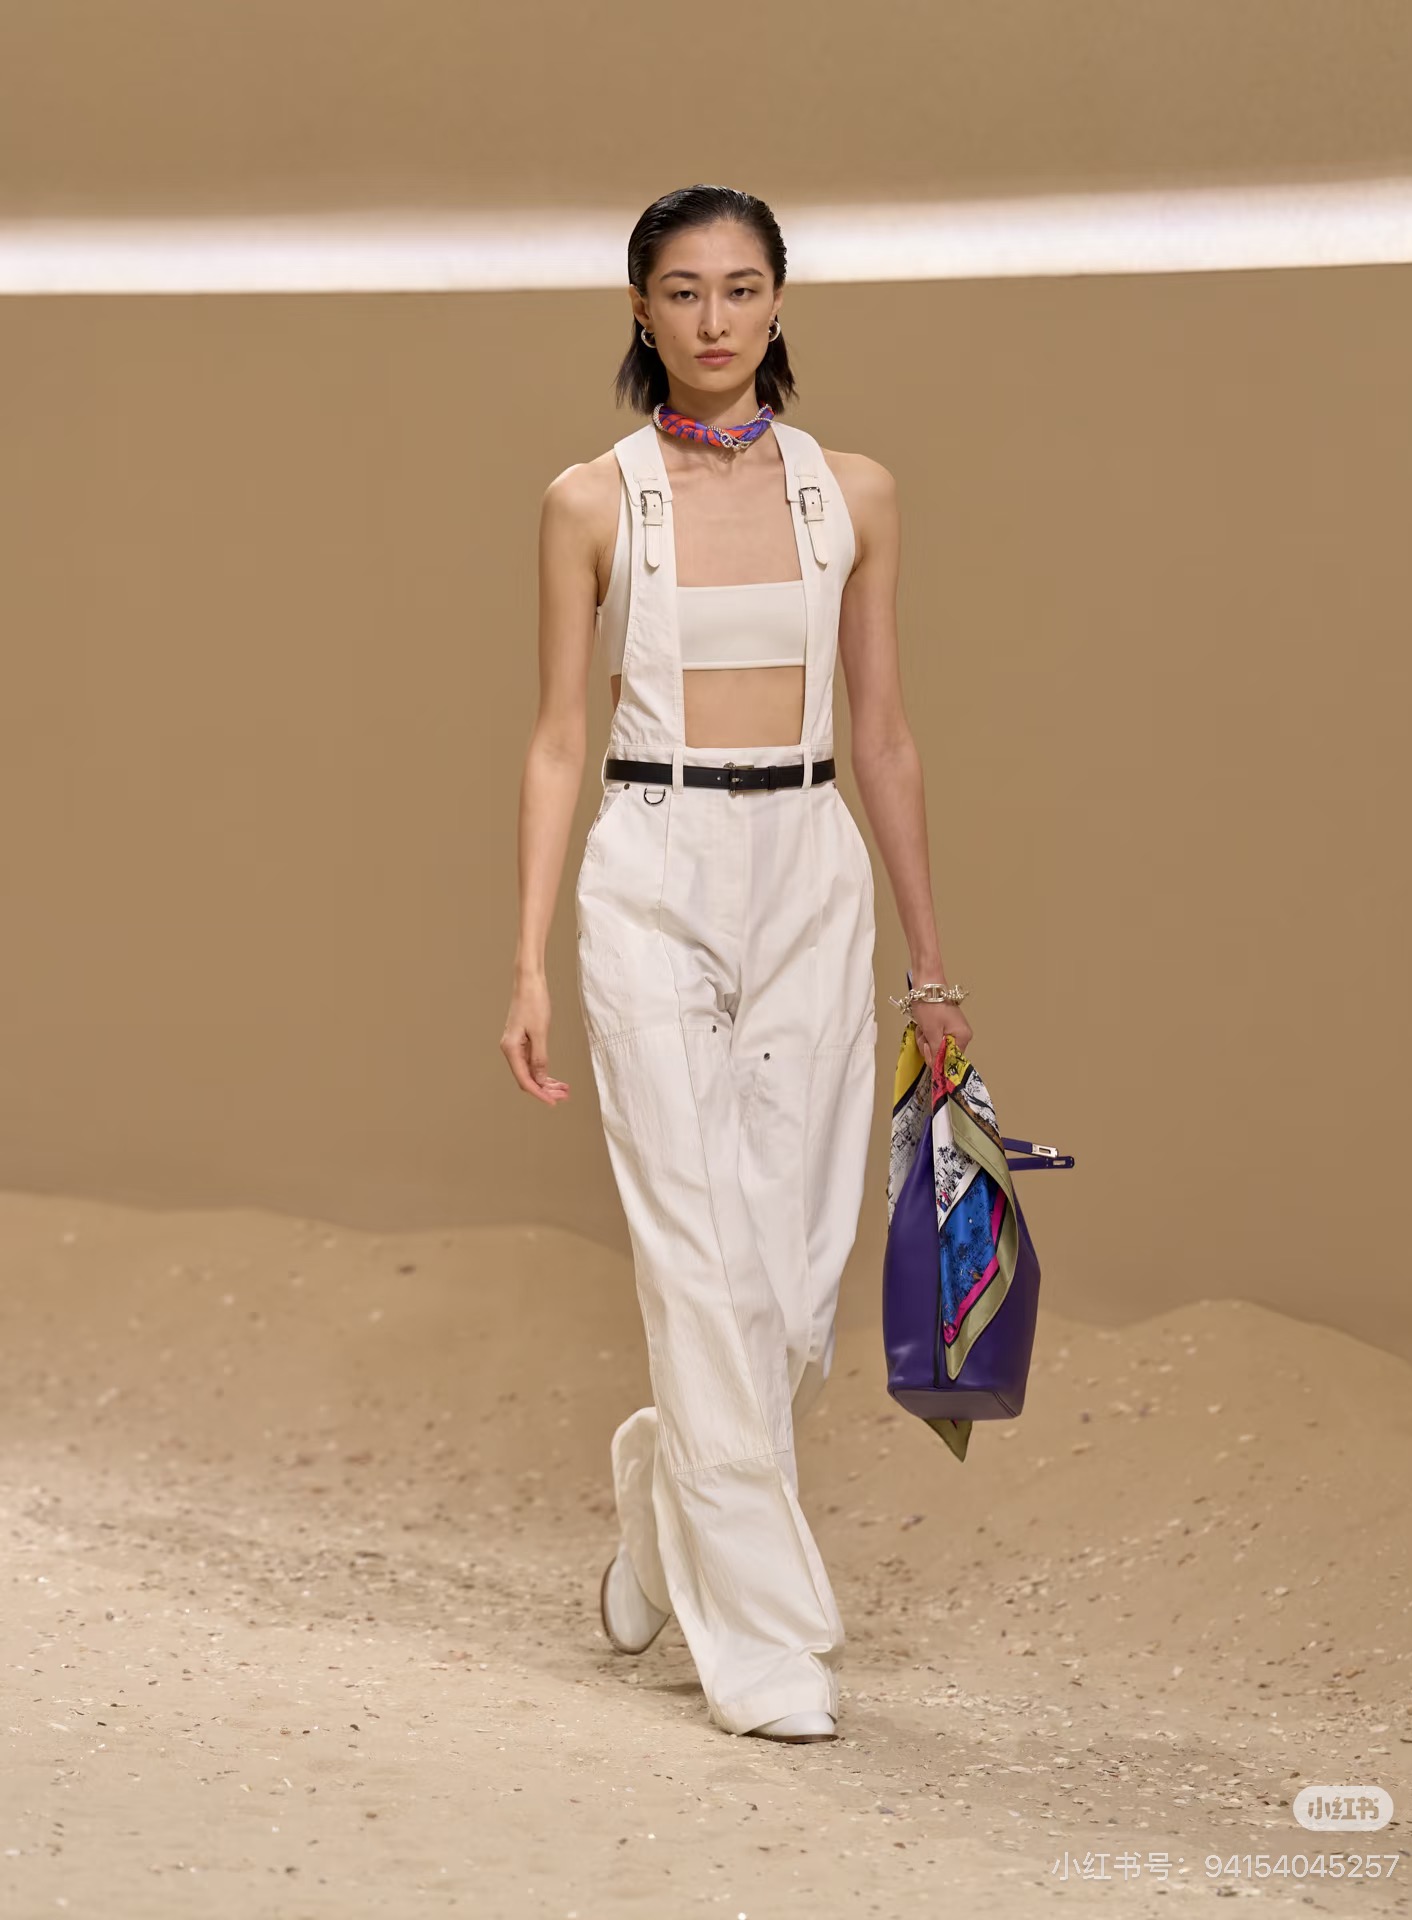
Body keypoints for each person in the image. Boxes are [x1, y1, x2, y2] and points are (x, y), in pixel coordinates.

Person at [501, 183, 971, 1743]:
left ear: (780, 302)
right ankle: (766, 1641)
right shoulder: (591, 502)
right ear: (641, 311)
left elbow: (885, 734)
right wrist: (527, 961)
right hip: (653, 864)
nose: (716, 318)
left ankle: (665, 1504)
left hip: (811, 868)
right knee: (699, 1254)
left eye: (744, 287)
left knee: (794, 1281)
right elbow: (557, 738)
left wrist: (930, 958)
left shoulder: (855, 495)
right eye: (686, 291)